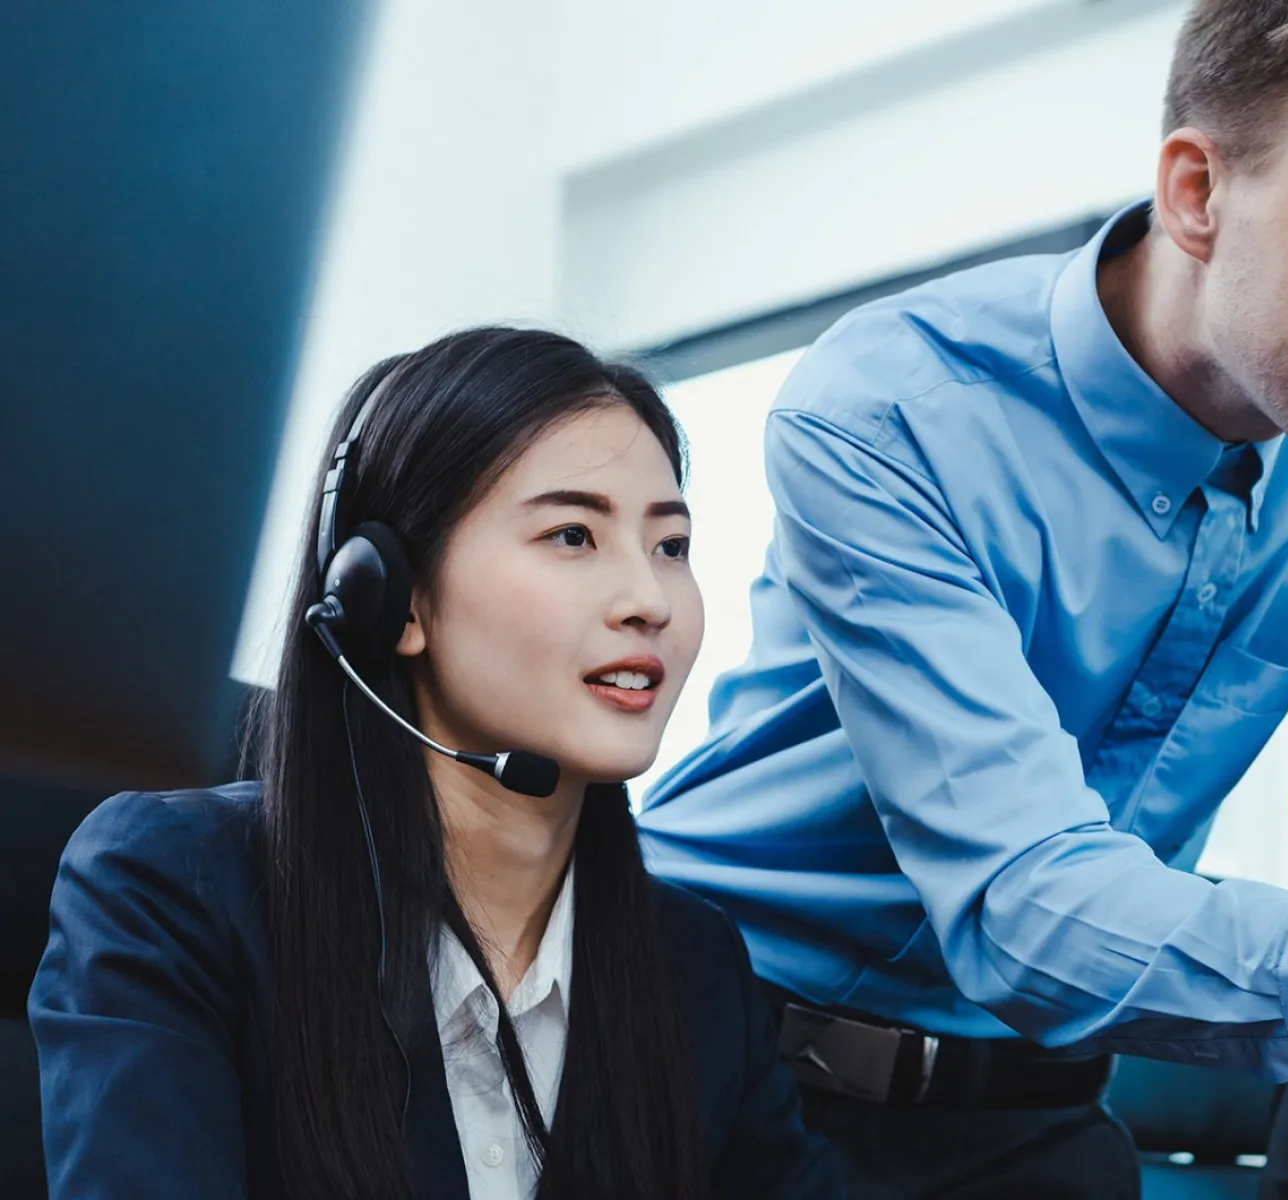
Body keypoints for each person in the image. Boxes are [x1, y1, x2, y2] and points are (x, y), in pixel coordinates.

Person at [638, 1, 1288, 1196]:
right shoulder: (892, 407)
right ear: (1196, 193)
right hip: (706, 1059)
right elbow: (1025, 909)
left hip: (1033, 1106)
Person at [29, 328, 844, 1200]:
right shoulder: (176, 887)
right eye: (572, 535)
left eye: (670, 546)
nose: (649, 600)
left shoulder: (696, 969)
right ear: (395, 601)